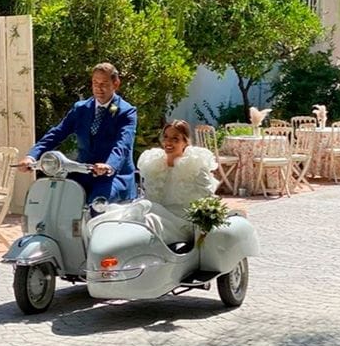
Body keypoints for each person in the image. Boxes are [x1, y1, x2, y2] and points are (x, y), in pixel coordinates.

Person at [19, 62, 137, 203]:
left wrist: (109, 165)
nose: (99, 88)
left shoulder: (126, 111)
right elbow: (57, 133)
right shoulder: (81, 109)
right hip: (84, 174)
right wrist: (31, 156)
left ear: (116, 84)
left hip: (113, 176)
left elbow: (123, 144)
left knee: (98, 204)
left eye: (104, 83)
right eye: (95, 83)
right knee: (57, 199)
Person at [88, 119, 219, 244]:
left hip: (180, 222)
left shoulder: (194, 165)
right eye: (166, 137)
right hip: (154, 212)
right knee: (116, 212)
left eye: (175, 139)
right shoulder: (155, 163)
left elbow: (208, 199)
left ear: (185, 142)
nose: (168, 142)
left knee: (147, 213)